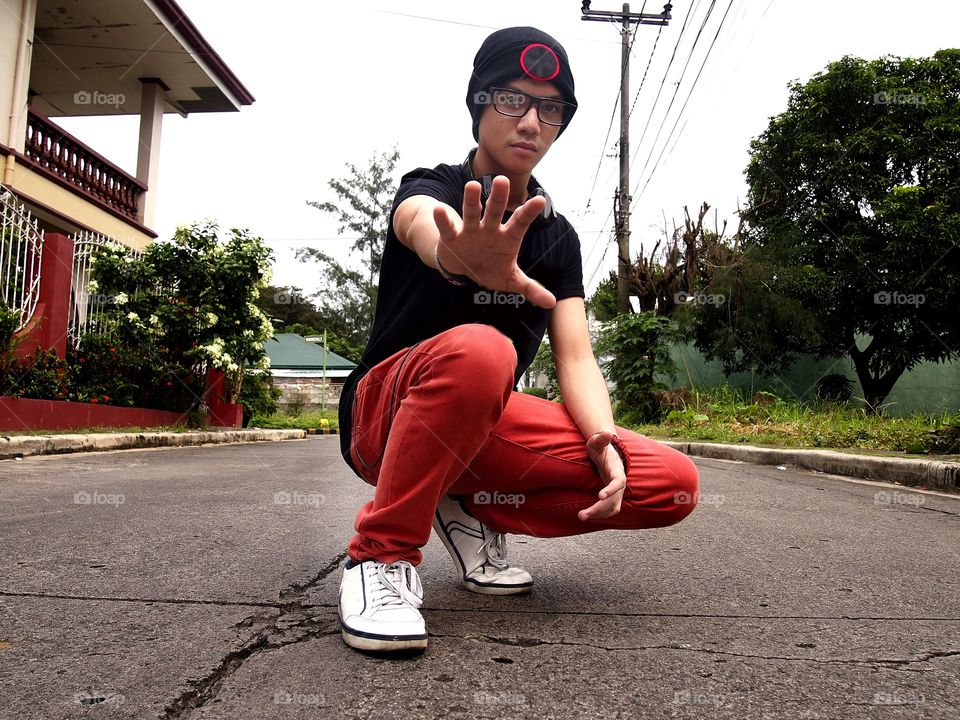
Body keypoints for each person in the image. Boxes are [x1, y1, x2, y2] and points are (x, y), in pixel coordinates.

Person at [337, 26, 699, 653]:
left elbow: (577, 357)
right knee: (484, 348)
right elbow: (419, 224)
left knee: (669, 482)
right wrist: (457, 257)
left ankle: (465, 507)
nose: (530, 121)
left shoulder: (557, 240)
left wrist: (601, 441)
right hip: (383, 417)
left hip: (483, 425)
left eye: (550, 107)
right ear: (479, 105)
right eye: (511, 100)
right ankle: (380, 556)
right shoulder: (437, 188)